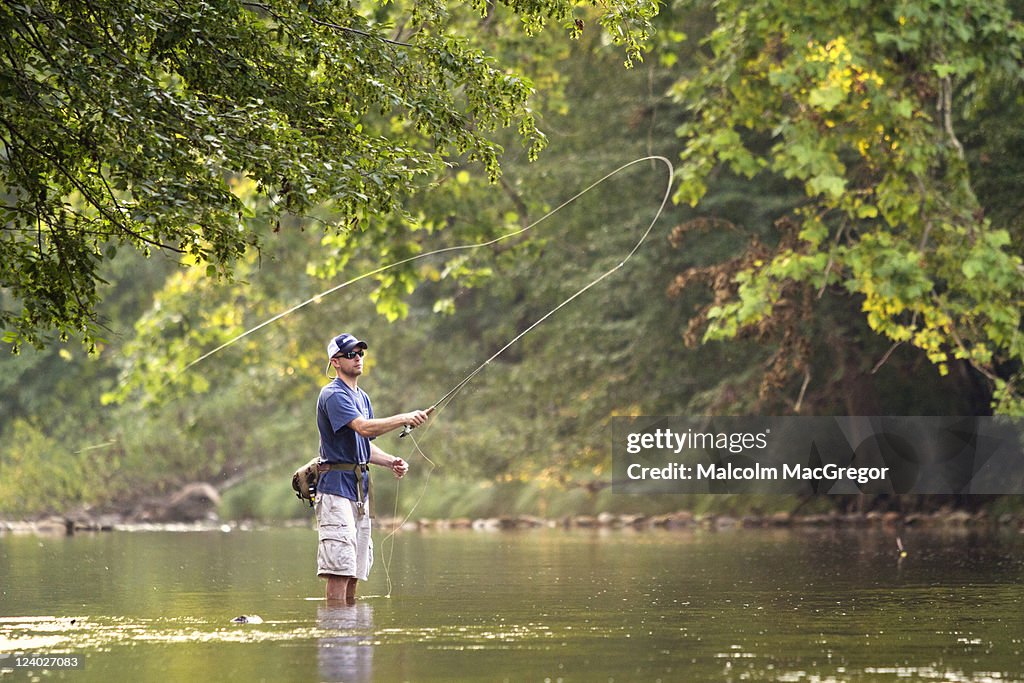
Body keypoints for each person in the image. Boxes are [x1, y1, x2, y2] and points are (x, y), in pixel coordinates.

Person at [315, 332, 429, 604]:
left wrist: (391, 461)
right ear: (335, 362)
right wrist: (403, 417)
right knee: (339, 568)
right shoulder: (332, 394)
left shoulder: (362, 398)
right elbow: (364, 428)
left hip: (360, 491)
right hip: (335, 491)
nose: (357, 358)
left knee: (355, 569)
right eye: (350, 354)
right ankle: (337, 634)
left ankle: (350, 632)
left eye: (360, 353)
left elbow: (364, 446)